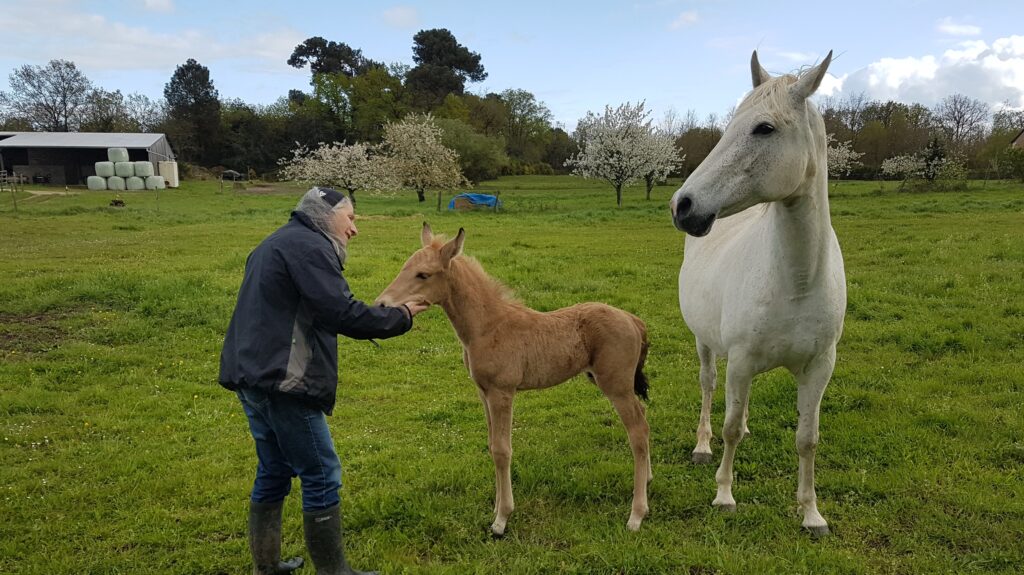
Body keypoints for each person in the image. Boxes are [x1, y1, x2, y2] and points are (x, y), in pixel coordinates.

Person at [219, 187, 428, 575]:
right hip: (282, 381)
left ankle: (266, 566)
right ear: (324, 214)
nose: (354, 230)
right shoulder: (310, 248)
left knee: (275, 468)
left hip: (250, 374)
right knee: (321, 473)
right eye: (350, 219)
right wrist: (402, 317)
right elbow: (341, 313)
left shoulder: (277, 241)